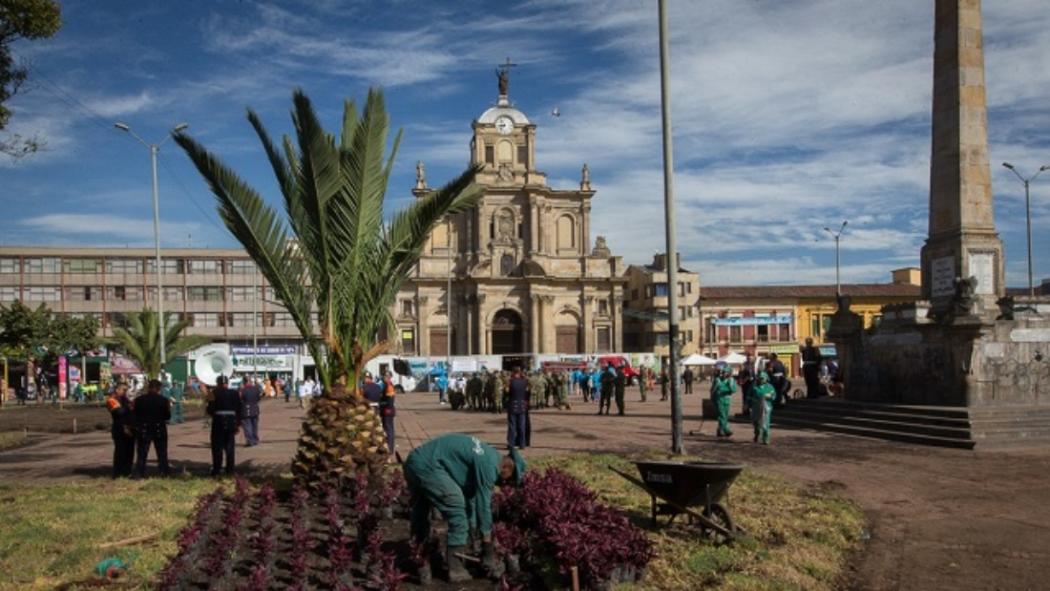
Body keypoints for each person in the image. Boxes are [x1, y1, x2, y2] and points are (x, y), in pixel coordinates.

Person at [403, 434, 526, 583]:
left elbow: (473, 501)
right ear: (506, 467)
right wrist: (487, 543)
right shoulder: (490, 466)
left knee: (421, 510)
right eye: (510, 479)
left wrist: (474, 535)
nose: (505, 484)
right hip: (429, 466)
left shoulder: (489, 456)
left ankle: (418, 555)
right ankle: (456, 569)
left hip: (415, 461)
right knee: (457, 509)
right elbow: (483, 505)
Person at [133, 379, 172, 478]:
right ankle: (163, 472)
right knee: (162, 452)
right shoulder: (163, 400)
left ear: (148, 387)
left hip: (144, 428)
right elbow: (167, 416)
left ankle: (139, 473)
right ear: (159, 388)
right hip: (159, 428)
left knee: (142, 453)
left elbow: (135, 415)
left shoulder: (139, 400)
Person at [208, 375, 242, 476]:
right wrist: (238, 424)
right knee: (230, 448)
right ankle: (230, 470)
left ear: (217, 383)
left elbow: (210, 409)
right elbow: (239, 409)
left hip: (218, 422)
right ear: (227, 383)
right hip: (231, 422)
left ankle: (217, 470)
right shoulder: (235, 393)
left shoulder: (213, 393)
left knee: (217, 447)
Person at [106, 383, 135, 478]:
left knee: (130, 452)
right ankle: (118, 473)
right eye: (123, 390)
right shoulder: (111, 400)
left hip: (130, 429)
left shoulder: (126, 400)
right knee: (120, 452)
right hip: (119, 429)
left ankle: (127, 472)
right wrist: (129, 406)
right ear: (117, 390)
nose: (125, 392)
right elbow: (119, 412)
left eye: (126, 390)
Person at [710, 362, 736, 438]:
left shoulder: (731, 381)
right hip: (719, 400)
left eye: (726, 372)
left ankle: (720, 430)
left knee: (725, 416)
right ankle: (726, 429)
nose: (724, 374)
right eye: (723, 372)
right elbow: (713, 390)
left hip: (727, 400)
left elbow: (733, 390)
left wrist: (730, 386)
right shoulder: (718, 380)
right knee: (722, 416)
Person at [750, 371, 776, 444]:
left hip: (766, 407)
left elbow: (774, 396)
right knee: (756, 422)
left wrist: (770, 396)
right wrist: (747, 404)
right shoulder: (754, 386)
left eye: (762, 378)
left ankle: (766, 438)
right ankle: (757, 432)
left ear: (766, 379)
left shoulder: (770, 387)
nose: (761, 380)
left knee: (765, 423)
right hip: (756, 407)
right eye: (759, 378)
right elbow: (749, 396)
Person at [506, 367, 529, 449]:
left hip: (512, 405)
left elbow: (507, 393)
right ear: (519, 372)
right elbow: (527, 393)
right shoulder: (525, 382)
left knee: (512, 426)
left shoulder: (510, 382)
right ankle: (522, 444)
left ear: (513, 372)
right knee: (522, 426)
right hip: (522, 406)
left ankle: (511, 444)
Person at [240, 376, 262, 446]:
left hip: (246, 410)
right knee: (254, 426)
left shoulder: (242, 390)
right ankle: (255, 439)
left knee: (247, 426)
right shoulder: (256, 389)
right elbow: (258, 398)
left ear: (244, 382)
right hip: (255, 409)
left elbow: (240, 399)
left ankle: (250, 440)